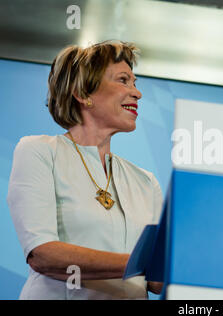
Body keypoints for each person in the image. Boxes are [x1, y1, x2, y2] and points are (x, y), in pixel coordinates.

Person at [7, 40, 164, 299]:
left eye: (135, 83)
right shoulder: (39, 151)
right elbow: (42, 255)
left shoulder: (146, 181)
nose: (137, 93)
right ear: (83, 92)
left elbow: (157, 282)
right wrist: (139, 263)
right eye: (123, 80)